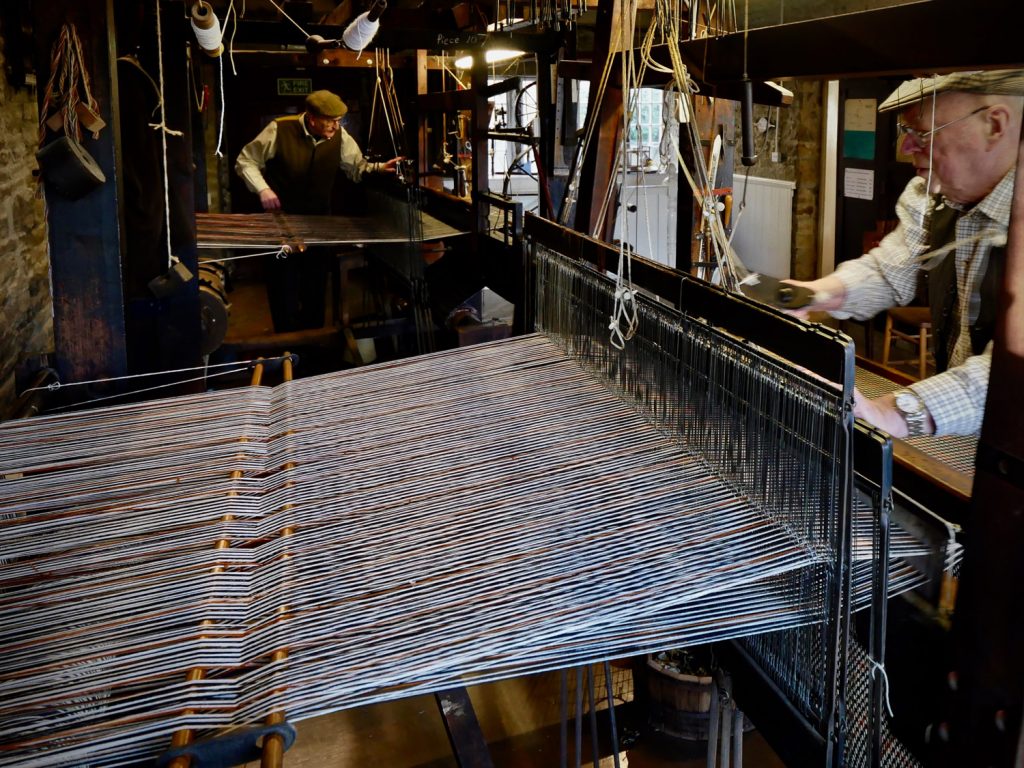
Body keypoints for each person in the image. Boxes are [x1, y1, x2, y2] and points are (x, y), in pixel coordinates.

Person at [788, 70, 1023, 438]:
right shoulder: (932, 195)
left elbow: (1014, 372)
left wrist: (891, 413)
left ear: (995, 125)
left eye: (922, 133)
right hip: (975, 432)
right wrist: (816, 294)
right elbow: (889, 271)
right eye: (906, 133)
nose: (907, 148)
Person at [235, 89, 402, 332]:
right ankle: (286, 344)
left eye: (338, 120)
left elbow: (356, 167)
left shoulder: (339, 135)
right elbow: (246, 161)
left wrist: (378, 168)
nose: (336, 126)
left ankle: (312, 342)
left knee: (315, 282)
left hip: (319, 223)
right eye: (330, 120)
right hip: (281, 223)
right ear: (312, 118)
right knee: (283, 284)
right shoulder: (279, 129)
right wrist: (263, 189)